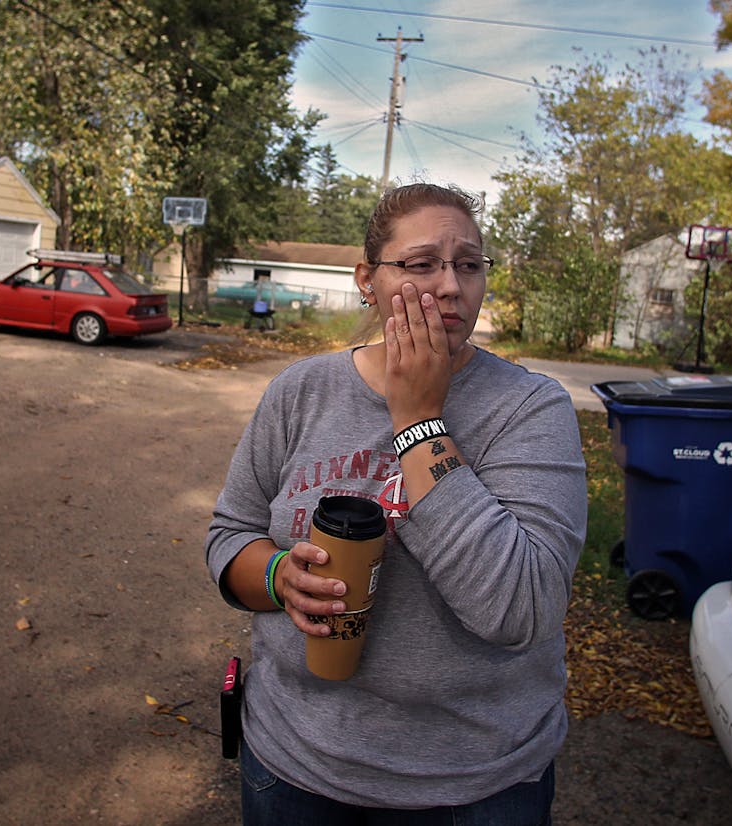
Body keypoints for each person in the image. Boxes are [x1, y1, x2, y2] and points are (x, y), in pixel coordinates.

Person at [205, 182, 587, 824]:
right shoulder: (300, 393)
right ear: (367, 279)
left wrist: (418, 420)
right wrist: (280, 578)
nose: (450, 286)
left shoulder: (530, 408)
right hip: (295, 763)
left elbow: (524, 607)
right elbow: (230, 533)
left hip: (473, 785)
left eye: (469, 265)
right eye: (421, 264)